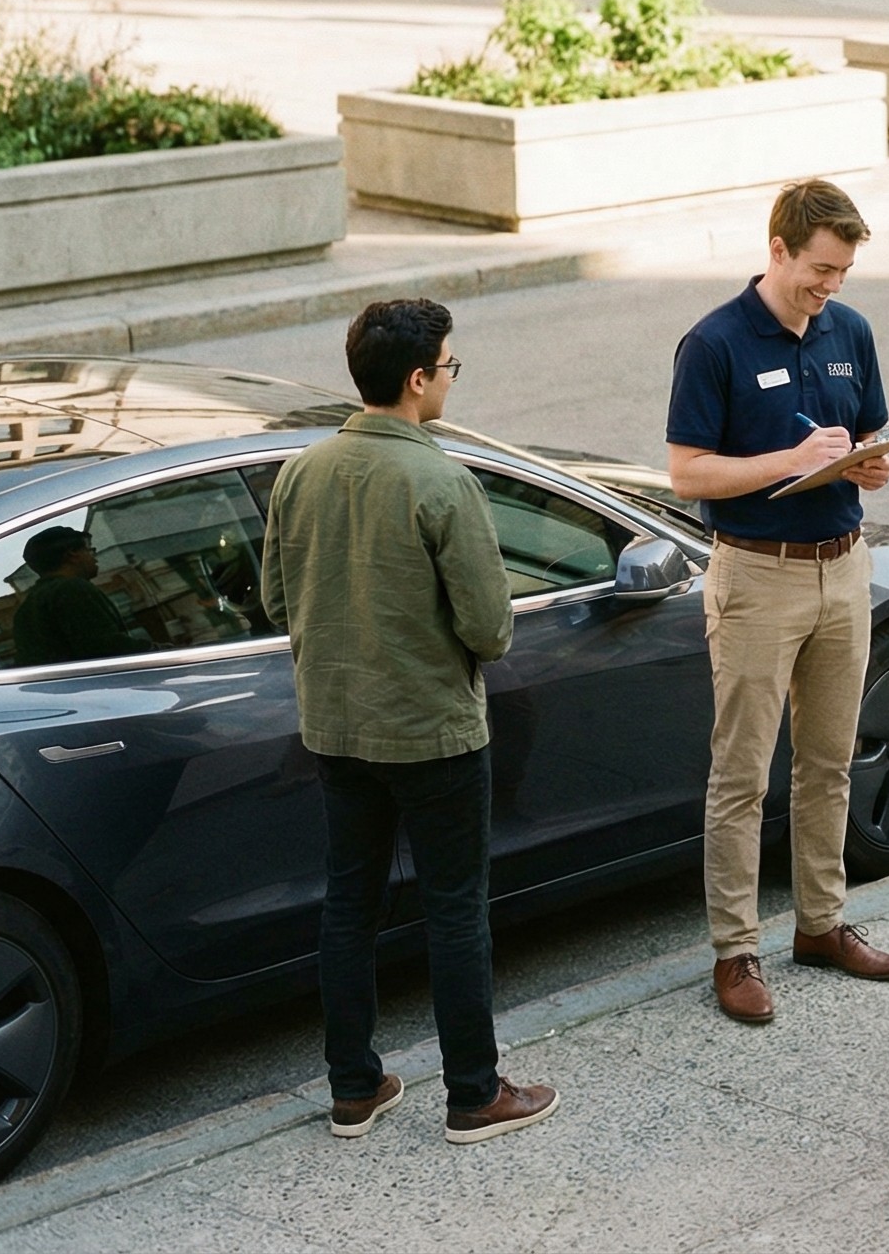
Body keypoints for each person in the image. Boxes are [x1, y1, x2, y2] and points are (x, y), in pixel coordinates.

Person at [261, 299, 557, 1145]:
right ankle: (474, 1094)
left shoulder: (300, 473)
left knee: (348, 905)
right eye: (449, 368)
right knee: (456, 908)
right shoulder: (441, 480)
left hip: (335, 729)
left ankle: (353, 1088)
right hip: (432, 733)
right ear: (418, 379)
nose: (451, 381)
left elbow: (280, 601)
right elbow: (490, 630)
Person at [666, 179, 889, 1025]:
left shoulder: (851, 330)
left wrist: (870, 462)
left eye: (842, 272)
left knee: (831, 762)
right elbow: (688, 472)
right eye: (819, 269)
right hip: (756, 574)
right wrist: (788, 459)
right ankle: (736, 951)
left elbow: (868, 432)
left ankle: (822, 924)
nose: (830, 287)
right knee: (740, 775)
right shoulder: (715, 344)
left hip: (843, 566)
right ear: (777, 250)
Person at [12, 526, 150, 667]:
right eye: (89, 550)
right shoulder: (71, 589)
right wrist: (162, 650)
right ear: (73, 554)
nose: (94, 558)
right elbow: (109, 649)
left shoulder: (28, 606)